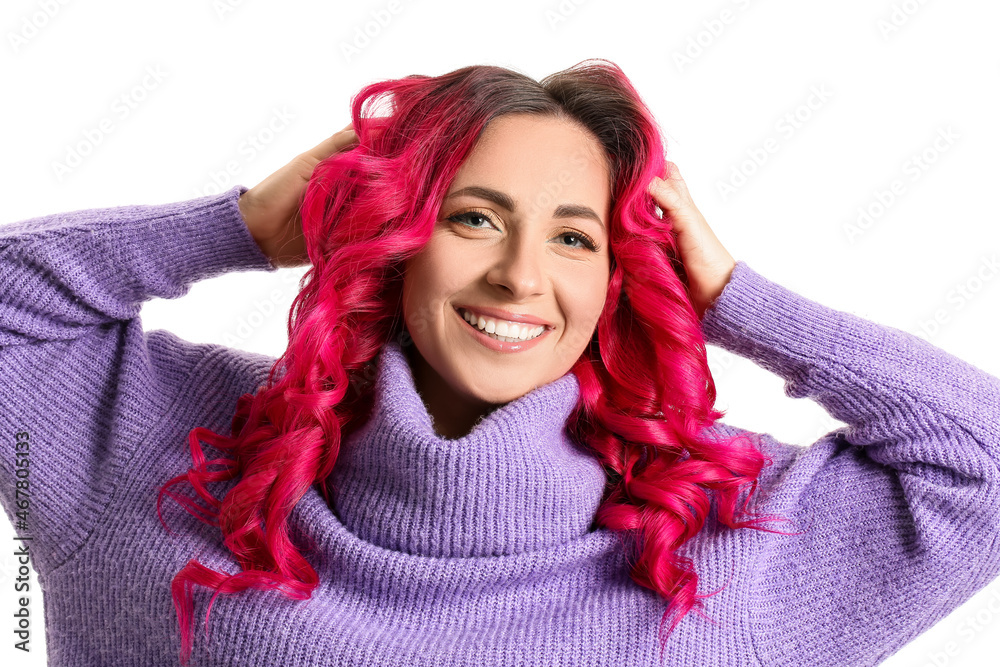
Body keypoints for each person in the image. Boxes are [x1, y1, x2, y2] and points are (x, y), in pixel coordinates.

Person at [0, 59, 998, 667]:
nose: (520, 276)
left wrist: (734, 297)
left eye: (574, 238)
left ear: (623, 272)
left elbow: (982, 468)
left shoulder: (721, 534)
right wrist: (246, 227)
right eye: (473, 218)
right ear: (395, 233)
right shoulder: (167, 460)